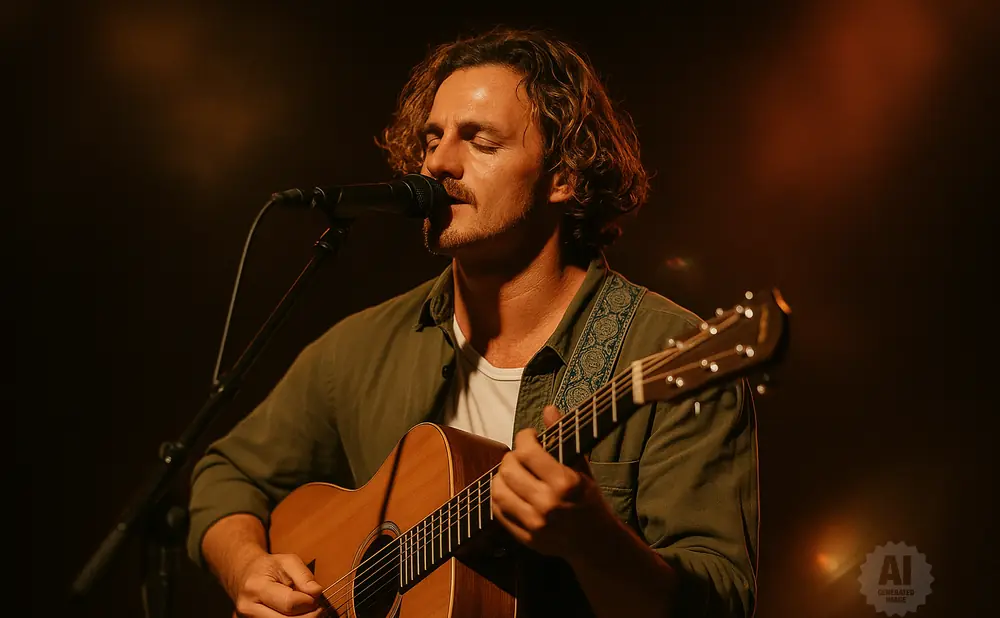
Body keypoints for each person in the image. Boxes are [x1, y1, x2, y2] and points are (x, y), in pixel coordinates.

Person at [187, 26, 759, 618]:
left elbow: (721, 602)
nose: (438, 162)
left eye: (480, 141)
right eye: (432, 138)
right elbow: (225, 475)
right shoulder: (362, 348)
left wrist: (593, 540)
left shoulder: (667, 349)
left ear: (563, 176)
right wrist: (248, 567)